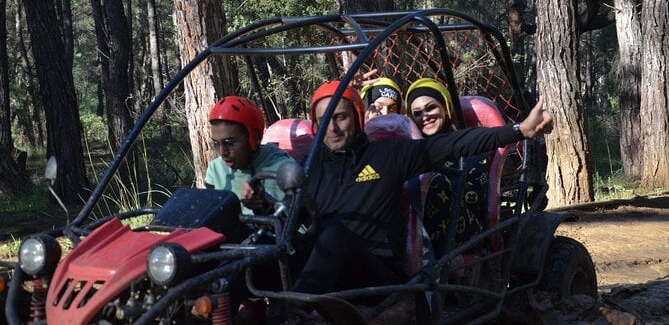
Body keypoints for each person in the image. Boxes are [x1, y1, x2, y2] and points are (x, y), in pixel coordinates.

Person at [290, 80, 552, 298]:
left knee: (335, 235)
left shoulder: (389, 154)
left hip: (374, 278)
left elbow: (452, 144)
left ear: (357, 117)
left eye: (340, 117)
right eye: (324, 121)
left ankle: (296, 310)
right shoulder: (311, 167)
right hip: (324, 270)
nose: (332, 128)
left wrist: (519, 130)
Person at [405, 77, 487, 255]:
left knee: (436, 183)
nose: (425, 117)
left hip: (464, 227)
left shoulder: (468, 146)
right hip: (416, 229)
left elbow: (473, 198)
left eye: (431, 107)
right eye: (417, 113)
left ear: (446, 107)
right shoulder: (410, 150)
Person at [204, 96, 296, 215]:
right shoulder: (215, 170)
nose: (222, 152)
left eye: (229, 143)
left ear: (255, 137)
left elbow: (300, 228)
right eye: (216, 143)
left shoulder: (282, 169)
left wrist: (263, 205)